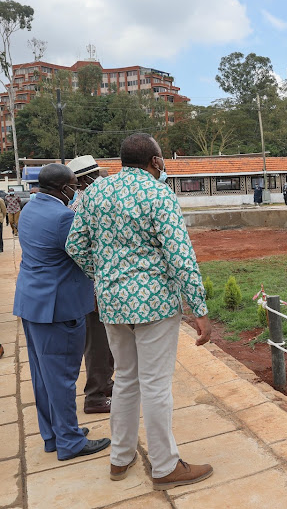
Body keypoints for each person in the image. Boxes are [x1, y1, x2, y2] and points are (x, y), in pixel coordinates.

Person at [66, 133, 213, 489]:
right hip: (154, 304)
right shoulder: (158, 193)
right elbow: (180, 255)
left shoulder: (96, 193)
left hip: (113, 304)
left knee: (127, 381)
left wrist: (102, 275)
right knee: (156, 384)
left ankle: (120, 458)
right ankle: (164, 466)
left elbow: (75, 245)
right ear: (156, 161)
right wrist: (198, 309)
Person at [12, 164, 111, 461]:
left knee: (43, 376)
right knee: (63, 378)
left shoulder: (30, 208)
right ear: (61, 188)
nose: (77, 190)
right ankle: (69, 441)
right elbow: (88, 254)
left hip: (32, 303)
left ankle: (54, 435)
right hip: (58, 309)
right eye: (73, 186)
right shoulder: (63, 218)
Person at [66, 155, 115, 414]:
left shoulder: (80, 203)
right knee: (97, 343)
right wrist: (96, 277)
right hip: (94, 288)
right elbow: (75, 248)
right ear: (87, 179)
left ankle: (106, 385)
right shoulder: (84, 205)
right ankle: (95, 396)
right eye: (97, 175)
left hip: (95, 285)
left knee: (106, 341)